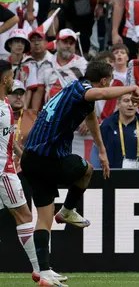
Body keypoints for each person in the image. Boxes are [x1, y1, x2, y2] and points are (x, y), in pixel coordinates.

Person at [21, 61, 139, 285]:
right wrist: (132, 87)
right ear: (104, 80)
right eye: (110, 81)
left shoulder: (74, 91)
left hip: (31, 159)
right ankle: (68, 211)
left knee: (44, 219)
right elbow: (102, 93)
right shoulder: (82, 89)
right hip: (47, 157)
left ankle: (44, 271)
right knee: (87, 169)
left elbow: (91, 119)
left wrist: (102, 150)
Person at [0, 61, 43, 285]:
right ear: (4, 79)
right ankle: (40, 270)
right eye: (10, 76)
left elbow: (7, 139)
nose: (11, 79)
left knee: (24, 216)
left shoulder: (5, 105)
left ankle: (40, 269)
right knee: (25, 216)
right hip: (2, 172)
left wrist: (22, 155)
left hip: (7, 168)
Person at [94, 92, 139, 168]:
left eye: (134, 101)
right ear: (118, 103)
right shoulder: (106, 126)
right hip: (112, 175)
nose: (130, 104)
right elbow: (96, 154)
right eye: (126, 101)